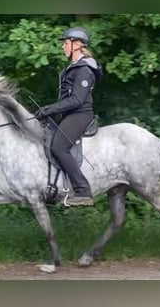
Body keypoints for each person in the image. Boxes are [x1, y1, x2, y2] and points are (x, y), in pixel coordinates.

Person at [35, 26, 103, 206]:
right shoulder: (73, 67)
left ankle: (83, 191)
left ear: (77, 45)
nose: (63, 47)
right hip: (69, 114)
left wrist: (49, 109)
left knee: (58, 147)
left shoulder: (84, 69)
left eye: (66, 43)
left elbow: (77, 100)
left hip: (81, 114)